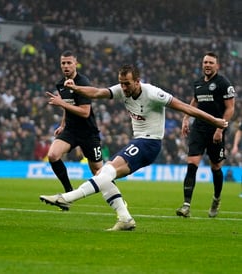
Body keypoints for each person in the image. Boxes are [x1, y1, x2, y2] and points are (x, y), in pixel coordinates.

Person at [40, 64, 228, 231]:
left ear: (137, 81)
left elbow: (187, 108)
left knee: (106, 172)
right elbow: (97, 93)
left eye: (127, 83)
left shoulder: (153, 93)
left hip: (150, 143)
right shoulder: (122, 90)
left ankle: (67, 198)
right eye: (121, 83)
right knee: (104, 176)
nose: (123, 87)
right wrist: (76, 88)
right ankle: (125, 219)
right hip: (139, 141)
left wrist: (215, 121)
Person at [176, 52, 235, 218]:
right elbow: (195, 101)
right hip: (199, 128)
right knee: (192, 163)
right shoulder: (198, 83)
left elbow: (230, 108)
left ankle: (216, 199)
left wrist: (220, 129)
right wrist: (186, 118)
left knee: (215, 166)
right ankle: (186, 205)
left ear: (217, 65)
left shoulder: (223, 83)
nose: (207, 65)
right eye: (205, 62)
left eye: (211, 62)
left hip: (215, 129)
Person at [46, 50, 103, 193]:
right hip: (71, 130)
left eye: (69, 63)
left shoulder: (83, 83)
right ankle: (68, 192)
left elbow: (85, 112)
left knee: (99, 172)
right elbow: (68, 105)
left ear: (75, 64)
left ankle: (118, 201)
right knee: (53, 155)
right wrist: (63, 124)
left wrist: (61, 103)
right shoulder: (61, 84)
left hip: (88, 132)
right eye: (63, 63)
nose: (66, 66)